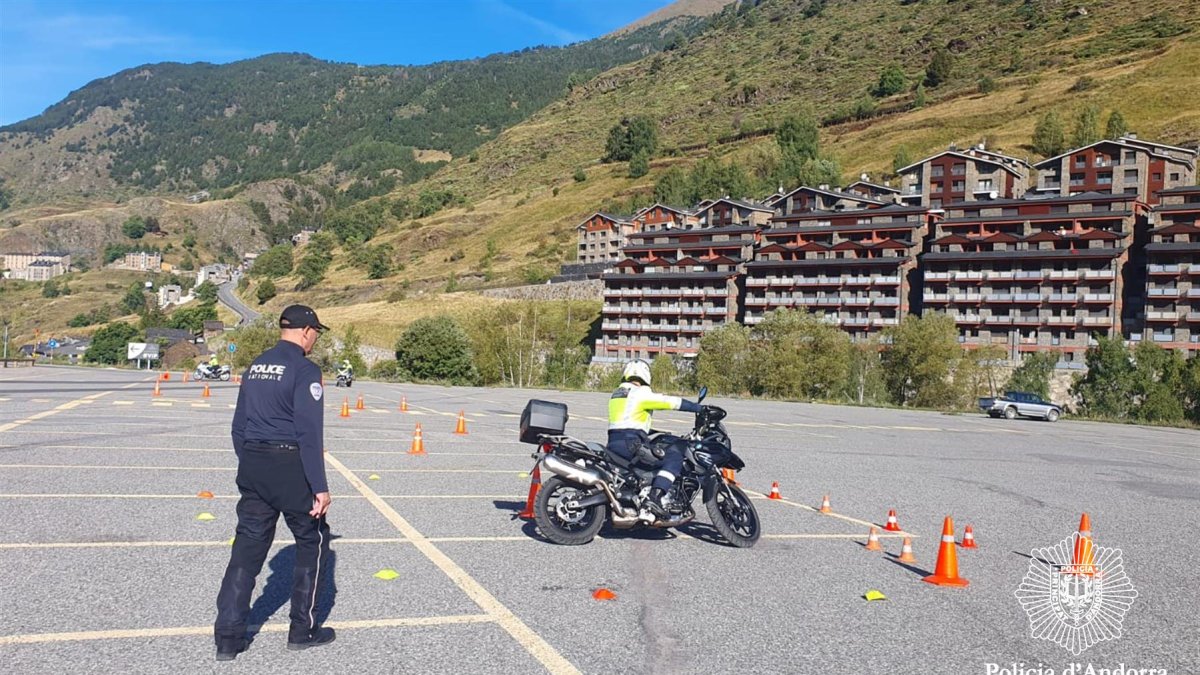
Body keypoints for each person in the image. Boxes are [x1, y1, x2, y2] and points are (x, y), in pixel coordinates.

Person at [214, 304, 334, 661]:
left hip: (253, 461)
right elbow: (309, 433)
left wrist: (250, 462)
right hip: (289, 463)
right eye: (316, 333)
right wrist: (320, 485)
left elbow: (238, 424)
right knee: (312, 541)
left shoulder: (255, 366)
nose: (315, 339)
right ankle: (303, 629)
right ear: (306, 331)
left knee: (246, 550)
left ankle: (228, 638)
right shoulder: (305, 369)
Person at [606, 359, 701, 523]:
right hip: (631, 444)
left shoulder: (617, 394)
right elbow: (670, 402)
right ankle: (654, 498)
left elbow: (630, 420)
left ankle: (640, 496)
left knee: (650, 458)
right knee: (674, 457)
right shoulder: (639, 393)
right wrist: (699, 408)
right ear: (645, 375)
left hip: (615, 443)